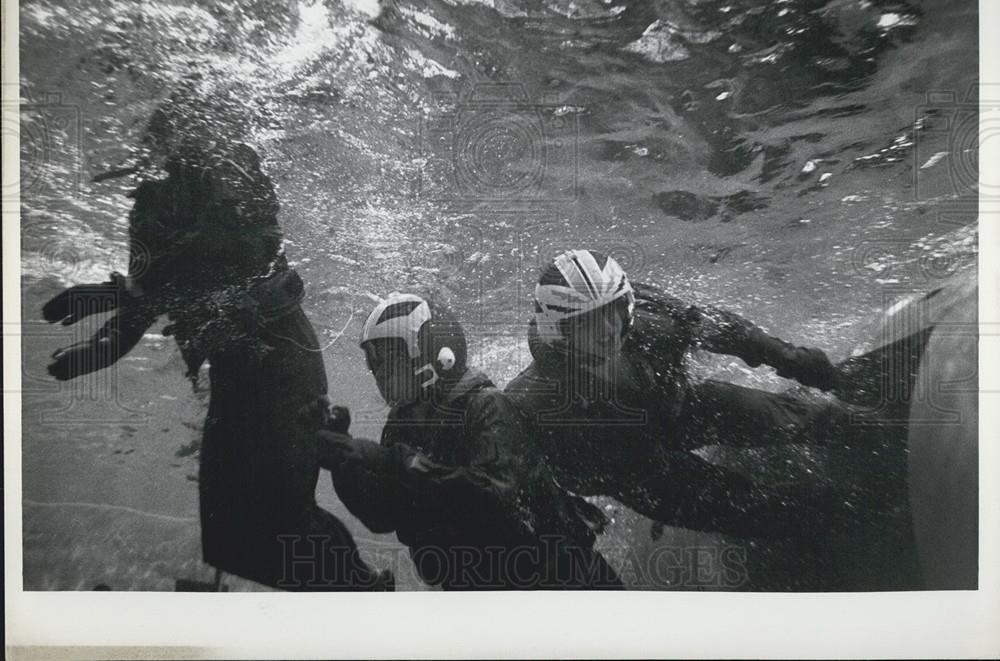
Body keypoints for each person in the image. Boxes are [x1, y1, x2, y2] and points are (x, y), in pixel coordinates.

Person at [43, 91, 390, 591]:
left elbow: (230, 248)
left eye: (165, 144)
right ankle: (344, 594)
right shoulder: (151, 207)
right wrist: (98, 347)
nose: (154, 161)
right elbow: (148, 300)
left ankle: (363, 594)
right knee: (232, 532)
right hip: (236, 371)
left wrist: (124, 294)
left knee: (281, 519)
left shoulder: (234, 172)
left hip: (279, 362)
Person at [503, 248, 856, 542]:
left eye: (612, 312)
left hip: (681, 408)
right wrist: (563, 510)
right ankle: (837, 518)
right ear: (558, 332)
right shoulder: (532, 402)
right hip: (636, 473)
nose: (609, 330)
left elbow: (728, 332)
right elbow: (516, 479)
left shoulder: (652, 317)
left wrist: (793, 359)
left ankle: (858, 425)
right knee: (760, 510)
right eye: (588, 322)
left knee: (795, 416)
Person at [315, 292, 624, 590]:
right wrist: (346, 462)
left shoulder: (486, 406)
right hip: (479, 599)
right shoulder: (404, 424)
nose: (378, 372)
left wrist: (397, 463)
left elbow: (494, 498)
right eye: (373, 360)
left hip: (563, 584)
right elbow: (382, 515)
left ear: (433, 352)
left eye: (387, 358)